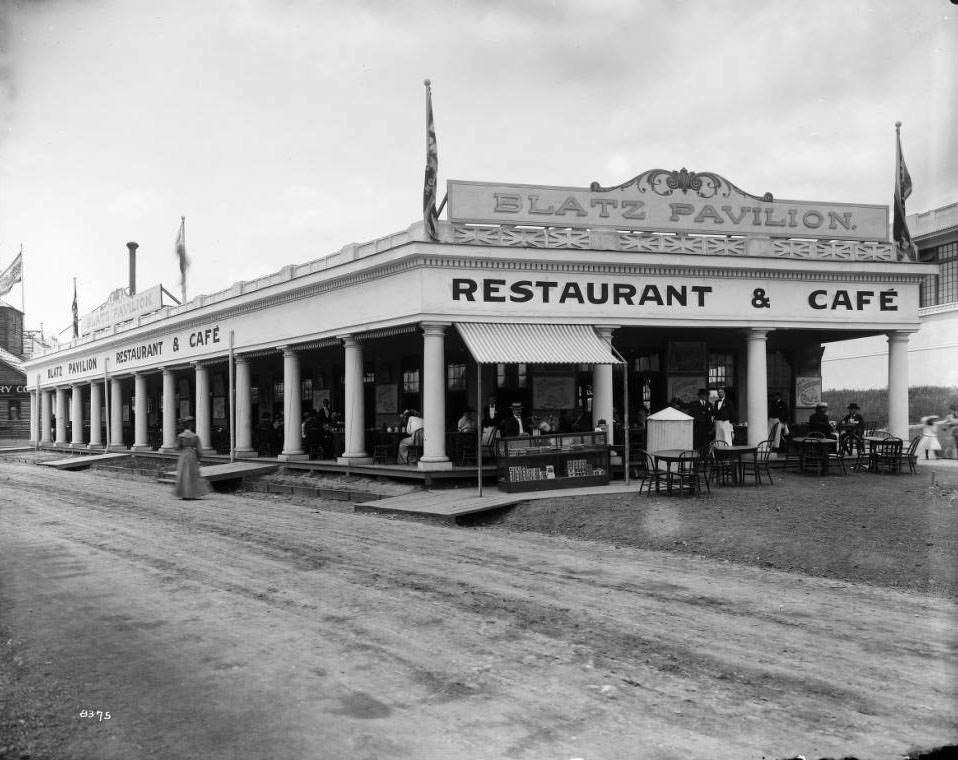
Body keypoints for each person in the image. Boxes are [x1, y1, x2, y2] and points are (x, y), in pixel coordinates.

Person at [173, 418, 211, 500]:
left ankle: (184, 493)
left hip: (184, 455)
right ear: (191, 426)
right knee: (193, 474)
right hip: (192, 455)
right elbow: (199, 450)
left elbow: (177, 447)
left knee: (184, 474)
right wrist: (199, 457)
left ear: (184, 426)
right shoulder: (195, 436)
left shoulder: (181, 436)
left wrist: (180, 446)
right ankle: (193, 493)